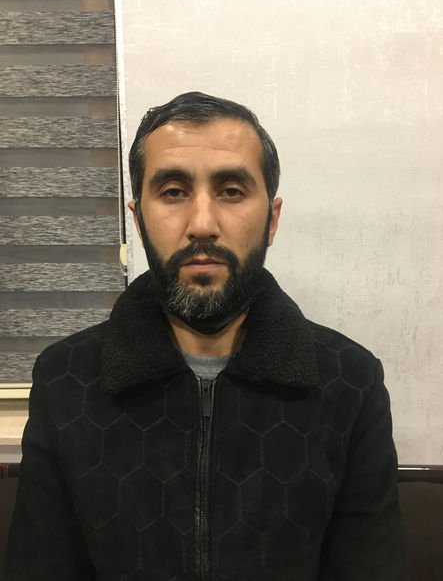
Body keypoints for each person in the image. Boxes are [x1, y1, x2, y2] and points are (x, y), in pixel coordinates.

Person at [5, 92, 404, 580]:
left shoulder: (350, 382)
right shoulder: (65, 380)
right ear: (138, 219)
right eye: (173, 191)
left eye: (231, 191)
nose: (202, 224)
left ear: (272, 219)